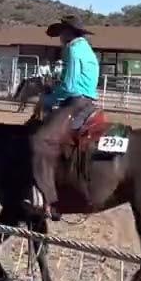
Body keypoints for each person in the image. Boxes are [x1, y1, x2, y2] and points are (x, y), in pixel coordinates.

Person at [29, 14, 101, 221]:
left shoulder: (73, 49)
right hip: (87, 100)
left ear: (68, 33)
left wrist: (48, 99)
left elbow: (69, 86)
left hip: (75, 101)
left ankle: (50, 201)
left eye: (61, 32)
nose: (59, 36)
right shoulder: (86, 49)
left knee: (40, 141)